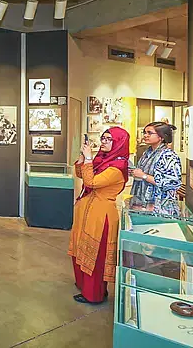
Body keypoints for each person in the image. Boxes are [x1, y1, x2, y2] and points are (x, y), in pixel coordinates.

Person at [68, 127, 130, 304]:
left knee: (95, 256)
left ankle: (94, 294)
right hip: (87, 211)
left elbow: (91, 182)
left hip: (101, 216)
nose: (103, 141)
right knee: (82, 249)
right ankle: (84, 286)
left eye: (109, 139)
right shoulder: (103, 159)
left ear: (119, 143)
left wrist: (88, 158)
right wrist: (82, 157)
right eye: (103, 138)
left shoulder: (118, 167)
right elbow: (81, 173)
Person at [130, 122, 182, 217]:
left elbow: (172, 183)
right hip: (143, 204)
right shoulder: (147, 153)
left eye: (150, 133)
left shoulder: (168, 156)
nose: (145, 135)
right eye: (144, 132)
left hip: (160, 206)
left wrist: (143, 176)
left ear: (161, 137)